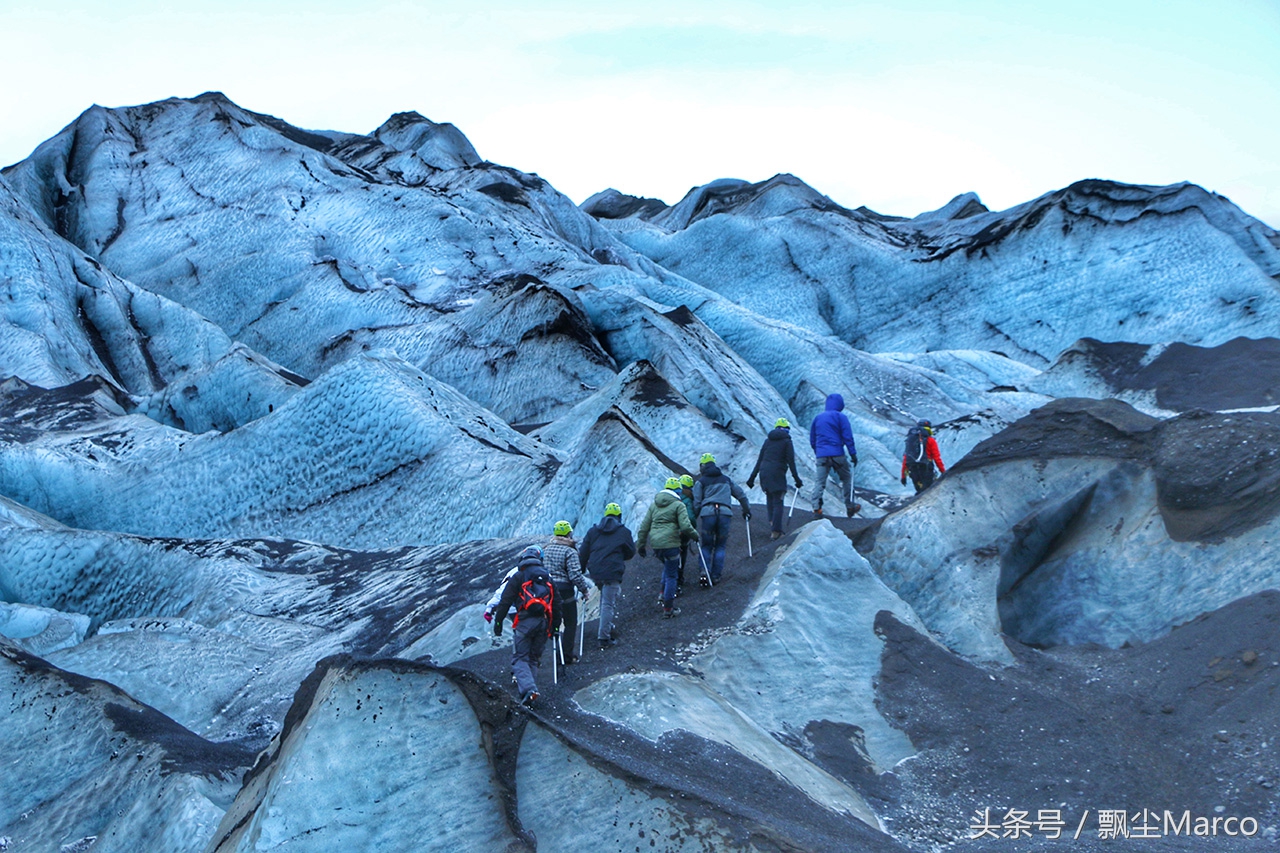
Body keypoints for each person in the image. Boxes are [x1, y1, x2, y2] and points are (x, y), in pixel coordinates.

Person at [492, 545, 557, 706]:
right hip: (542, 622)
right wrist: (555, 627)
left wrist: (498, 622)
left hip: (524, 622)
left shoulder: (519, 576)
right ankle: (531, 692)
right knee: (533, 658)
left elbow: (505, 601)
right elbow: (557, 604)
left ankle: (529, 690)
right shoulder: (547, 577)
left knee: (520, 658)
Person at [637, 476, 699, 617]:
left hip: (656, 544)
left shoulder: (654, 505)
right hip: (671, 543)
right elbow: (686, 526)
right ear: (677, 491)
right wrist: (695, 536)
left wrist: (641, 545)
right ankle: (668, 608)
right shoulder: (678, 505)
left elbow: (644, 527)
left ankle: (662, 593)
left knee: (667, 566)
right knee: (672, 574)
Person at [578, 502, 635, 649]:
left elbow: (583, 552)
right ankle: (604, 637)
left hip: (596, 571)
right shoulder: (623, 532)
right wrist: (620, 556)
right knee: (608, 603)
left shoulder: (593, 531)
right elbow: (631, 552)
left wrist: (581, 570)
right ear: (619, 516)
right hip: (612, 571)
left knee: (605, 598)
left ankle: (607, 625)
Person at [692, 453, 750, 585]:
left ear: (702, 466)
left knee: (706, 545)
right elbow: (741, 495)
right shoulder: (726, 479)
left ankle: (704, 571)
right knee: (720, 545)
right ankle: (716, 576)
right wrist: (746, 510)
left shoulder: (701, 482)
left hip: (708, 514)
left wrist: (693, 519)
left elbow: (696, 502)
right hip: (724, 514)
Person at [747, 418, 804, 540]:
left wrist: (752, 478)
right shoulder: (787, 442)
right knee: (778, 501)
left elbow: (760, 460)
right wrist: (797, 479)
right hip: (777, 473)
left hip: (764, 473)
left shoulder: (768, 441)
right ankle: (776, 531)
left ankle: (772, 522)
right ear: (787, 429)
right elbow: (791, 462)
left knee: (770, 497)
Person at [544, 520, 591, 664]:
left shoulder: (546, 549)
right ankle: (566, 656)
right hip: (564, 591)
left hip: (547, 590)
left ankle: (550, 654)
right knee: (570, 622)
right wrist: (584, 590)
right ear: (569, 533)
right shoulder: (570, 551)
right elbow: (575, 575)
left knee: (553, 621)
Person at [808, 393, 859, 518]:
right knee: (846, 478)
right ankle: (850, 506)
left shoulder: (818, 418)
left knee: (820, 481)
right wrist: (853, 454)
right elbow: (848, 437)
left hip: (822, 455)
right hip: (837, 454)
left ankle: (816, 508)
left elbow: (812, 439)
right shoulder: (841, 417)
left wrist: (818, 451)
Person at [901, 419, 946, 493]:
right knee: (928, 491)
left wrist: (903, 476)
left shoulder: (910, 440)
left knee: (920, 491)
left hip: (913, 469)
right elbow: (937, 458)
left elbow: (906, 458)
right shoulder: (930, 440)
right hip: (926, 468)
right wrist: (943, 472)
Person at [677, 474, 697, 594]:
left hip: (671, 531)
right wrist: (692, 528)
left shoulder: (673, 497)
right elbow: (690, 517)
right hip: (683, 531)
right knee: (682, 550)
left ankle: (672, 578)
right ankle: (679, 576)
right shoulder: (688, 499)